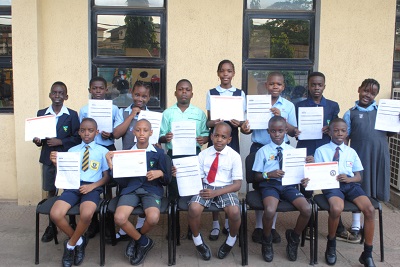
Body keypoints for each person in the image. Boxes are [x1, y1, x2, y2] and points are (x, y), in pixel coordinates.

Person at [304, 118, 376, 267]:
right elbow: (315, 173)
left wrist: (350, 179)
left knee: (369, 210)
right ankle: (331, 245)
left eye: (343, 131)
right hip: (332, 185)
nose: (339, 133)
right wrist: (309, 172)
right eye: (336, 130)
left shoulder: (351, 152)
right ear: (329, 132)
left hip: (350, 185)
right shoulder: (321, 151)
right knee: (336, 208)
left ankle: (367, 254)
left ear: (347, 132)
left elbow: (358, 176)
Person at [241, 71, 298, 244]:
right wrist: (244, 127)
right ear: (266, 85)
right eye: (271, 83)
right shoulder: (256, 103)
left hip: (281, 151)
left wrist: (280, 117)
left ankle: (271, 228)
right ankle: (259, 226)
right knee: (260, 188)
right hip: (259, 148)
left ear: (283, 86)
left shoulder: (288, 106)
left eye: (278, 84)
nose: (275, 86)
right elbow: (247, 129)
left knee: (276, 186)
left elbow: (294, 131)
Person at [106, 119, 170, 265]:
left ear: (151, 133)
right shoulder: (126, 153)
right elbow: (121, 182)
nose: (142, 133)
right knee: (120, 218)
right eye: (138, 130)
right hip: (131, 190)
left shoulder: (159, 153)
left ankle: (137, 239)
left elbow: (167, 180)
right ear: (133, 132)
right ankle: (143, 241)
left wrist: (160, 173)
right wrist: (112, 166)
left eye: (145, 130)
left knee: (153, 218)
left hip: (151, 190)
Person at [49, 118, 110, 267]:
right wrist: (58, 164)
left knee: (87, 214)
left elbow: (107, 177)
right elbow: (65, 174)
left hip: (92, 188)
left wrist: (92, 186)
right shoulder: (72, 151)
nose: (86, 133)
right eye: (83, 130)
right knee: (55, 214)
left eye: (90, 130)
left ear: (96, 132)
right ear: (79, 132)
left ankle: (70, 245)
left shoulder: (103, 151)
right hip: (72, 186)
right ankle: (79, 240)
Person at [252, 116, 312, 262]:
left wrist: (305, 178)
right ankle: (267, 240)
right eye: (273, 131)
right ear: (268, 131)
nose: (277, 134)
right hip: (270, 185)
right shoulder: (263, 151)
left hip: (289, 185)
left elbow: (300, 175)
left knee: (307, 209)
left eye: (280, 131)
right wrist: (269, 174)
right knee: (270, 210)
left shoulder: (293, 151)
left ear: (286, 131)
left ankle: (294, 237)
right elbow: (256, 176)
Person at [343, 78, 394, 242]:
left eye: (373, 93)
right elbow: (344, 138)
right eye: (365, 91)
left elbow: (390, 133)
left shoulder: (382, 112)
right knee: (359, 188)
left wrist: (396, 120)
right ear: (359, 89)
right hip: (359, 156)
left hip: (379, 156)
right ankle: (356, 225)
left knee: (375, 187)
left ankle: (367, 225)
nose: (368, 95)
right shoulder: (350, 113)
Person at [182, 122, 242, 260]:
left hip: (226, 188)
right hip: (206, 186)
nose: (219, 139)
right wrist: (180, 173)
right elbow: (198, 177)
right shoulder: (203, 154)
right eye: (216, 135)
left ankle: (231, 240)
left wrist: (216, 193)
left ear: (229, 139)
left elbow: (237, 184)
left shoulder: (234, 156)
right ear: (211, 136)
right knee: (194, 208)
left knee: (234, 211)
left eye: (223, 137)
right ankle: (198, 241)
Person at [33, 81, 81, 243]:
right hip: (48, 158)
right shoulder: (41, 113)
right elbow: (38, 138)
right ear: (50, 95)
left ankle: (72, 222)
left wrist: (60, 142)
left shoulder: (72, 115)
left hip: (67, 159)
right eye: (54, 92)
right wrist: (38, 140)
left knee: (70, 190)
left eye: (61, 93)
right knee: (51, 191)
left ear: (66, 96)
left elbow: (77, 137)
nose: (57, 96)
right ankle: (51, 226)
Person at [206, 59, 246, 241]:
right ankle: (215, 222)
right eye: (222, 71)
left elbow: (244, 123)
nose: (225, 74)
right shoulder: (212, 93)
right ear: (218, 72)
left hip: (232, 139)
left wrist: (240, 123)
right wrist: (213, 122)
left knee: (230, 176)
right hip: (216, 139)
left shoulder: (239, 93)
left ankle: (229, 220)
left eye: (229, 71)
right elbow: (208, 122)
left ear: (234, 73)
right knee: (213, 176)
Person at [79, 76, 122, 238]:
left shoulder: (114, 109)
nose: (97, 91)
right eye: (94, 88)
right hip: (89, 151)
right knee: (91, 182)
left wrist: (110, 133)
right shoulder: (84, 110)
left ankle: (108, 222)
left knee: (108, 186)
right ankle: (94, 223)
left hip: (107, 148)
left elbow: (117, 131)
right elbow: (82, 130)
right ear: (89, 90)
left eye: (101, 88)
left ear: (106, 90)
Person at [112, 80, 154, 240]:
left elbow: (156, 138)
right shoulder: (122, 112)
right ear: (131, 93)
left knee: (144, 191)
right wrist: (131, 115)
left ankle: (139, 226)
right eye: (137, 94)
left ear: (149, 98)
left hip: (146, 161)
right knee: (126, 193)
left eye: (144, 96)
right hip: (127, 163)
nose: (140, 99)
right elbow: (116, 133)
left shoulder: (153, 116)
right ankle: (125, 228)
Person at [159, 79, 209, 200]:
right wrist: (166, 138)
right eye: (181, 90)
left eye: (187, 90)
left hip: (194, 154)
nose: (184, 92)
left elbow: (206, 134)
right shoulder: (167, 113)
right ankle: (174, 214)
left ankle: (193, 212)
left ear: (192, 94)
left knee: (194, 188)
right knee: (174, 187)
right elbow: (159, 136)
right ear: (175, 93)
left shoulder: (199, 113)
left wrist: (203, 139)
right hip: (174, 154)